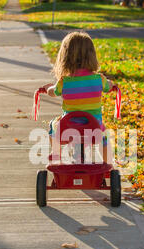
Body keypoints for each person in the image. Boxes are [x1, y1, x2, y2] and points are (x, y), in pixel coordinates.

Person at [41, 32, 115, 164]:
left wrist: (48, 89)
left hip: (68, 127)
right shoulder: (99, 79)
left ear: (65, 57)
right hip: (94, 127)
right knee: (104, 138)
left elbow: (53, 92)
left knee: (53, 125)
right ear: (92, 55)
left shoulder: (64, 82)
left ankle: (56, 154)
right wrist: (111, 85)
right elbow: (108, 87)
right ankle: (108, 164)